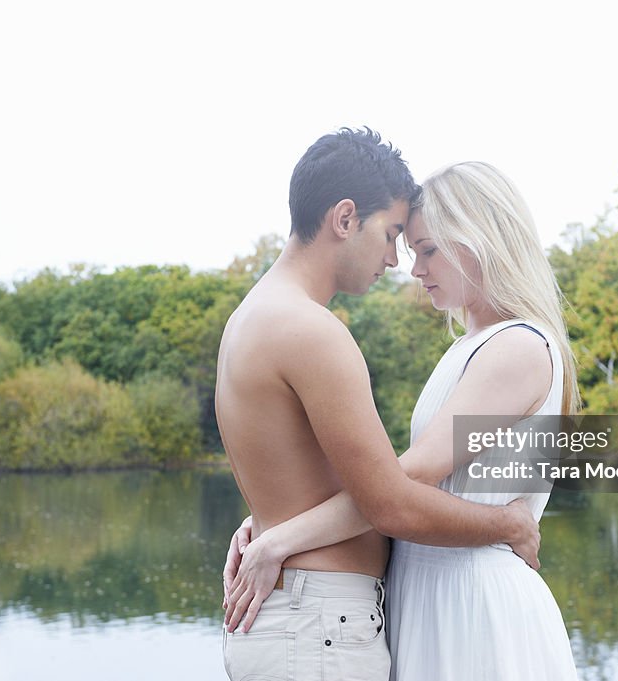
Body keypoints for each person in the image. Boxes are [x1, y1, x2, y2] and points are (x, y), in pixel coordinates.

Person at [224, 161, 581, 680]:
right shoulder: (471, 348)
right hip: (431, 595)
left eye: (428, 250)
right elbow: (393, 484)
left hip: (473, 602)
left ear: (482, 240)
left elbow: (407, 478)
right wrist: (271, 523)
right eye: (410, 248)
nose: (413, 268)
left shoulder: (518, 347)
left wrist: (282, 537)